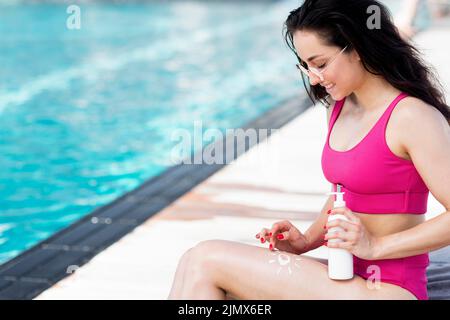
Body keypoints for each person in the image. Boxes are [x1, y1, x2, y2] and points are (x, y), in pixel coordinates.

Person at [168, 0, 450, 300]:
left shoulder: (411, 116)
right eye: (306, 66)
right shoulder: (340, 109)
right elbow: (344, 194)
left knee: (206, 260)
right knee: (194, 265)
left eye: (321, 63)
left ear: (356, 47)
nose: (314, 78)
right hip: (344, 276)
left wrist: (376, 247)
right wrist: (305, 242)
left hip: (390, 288)